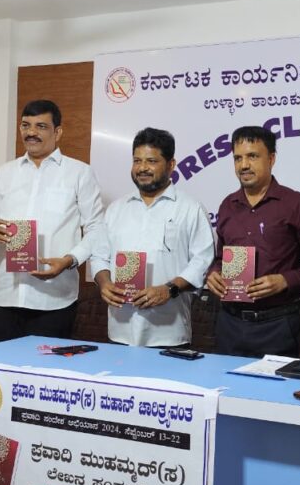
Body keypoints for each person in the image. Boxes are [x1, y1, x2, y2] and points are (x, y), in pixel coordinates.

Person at [0, 100, 104, 340]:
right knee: (4, 364)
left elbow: (97, 228)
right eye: (26, 125)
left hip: (54, 298)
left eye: (41, 126)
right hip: (7, 295)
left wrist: (70, 260)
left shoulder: (79, 173)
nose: (31, 132)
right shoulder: (4, 174)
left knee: (48, 365)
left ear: (58, 132)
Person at [91, 128, 214, 347]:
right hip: (120, 331)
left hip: (168, 333)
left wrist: (169, 289)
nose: (142, 168)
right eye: (137, 161)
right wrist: (104, 283)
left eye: (151, 161)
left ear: (171, 164)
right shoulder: (116, 209)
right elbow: (99, 256)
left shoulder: (190, 209)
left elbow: (202, 262)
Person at [206, 125, 300, 357]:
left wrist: (285, 280)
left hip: (277, 325)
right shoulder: (227, 205)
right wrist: (214, 273)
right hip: (229, 324)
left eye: (252, 156)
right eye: (238, 158)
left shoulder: (297, 205)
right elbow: (220, 258)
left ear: (271, 159)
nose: (244, 165)